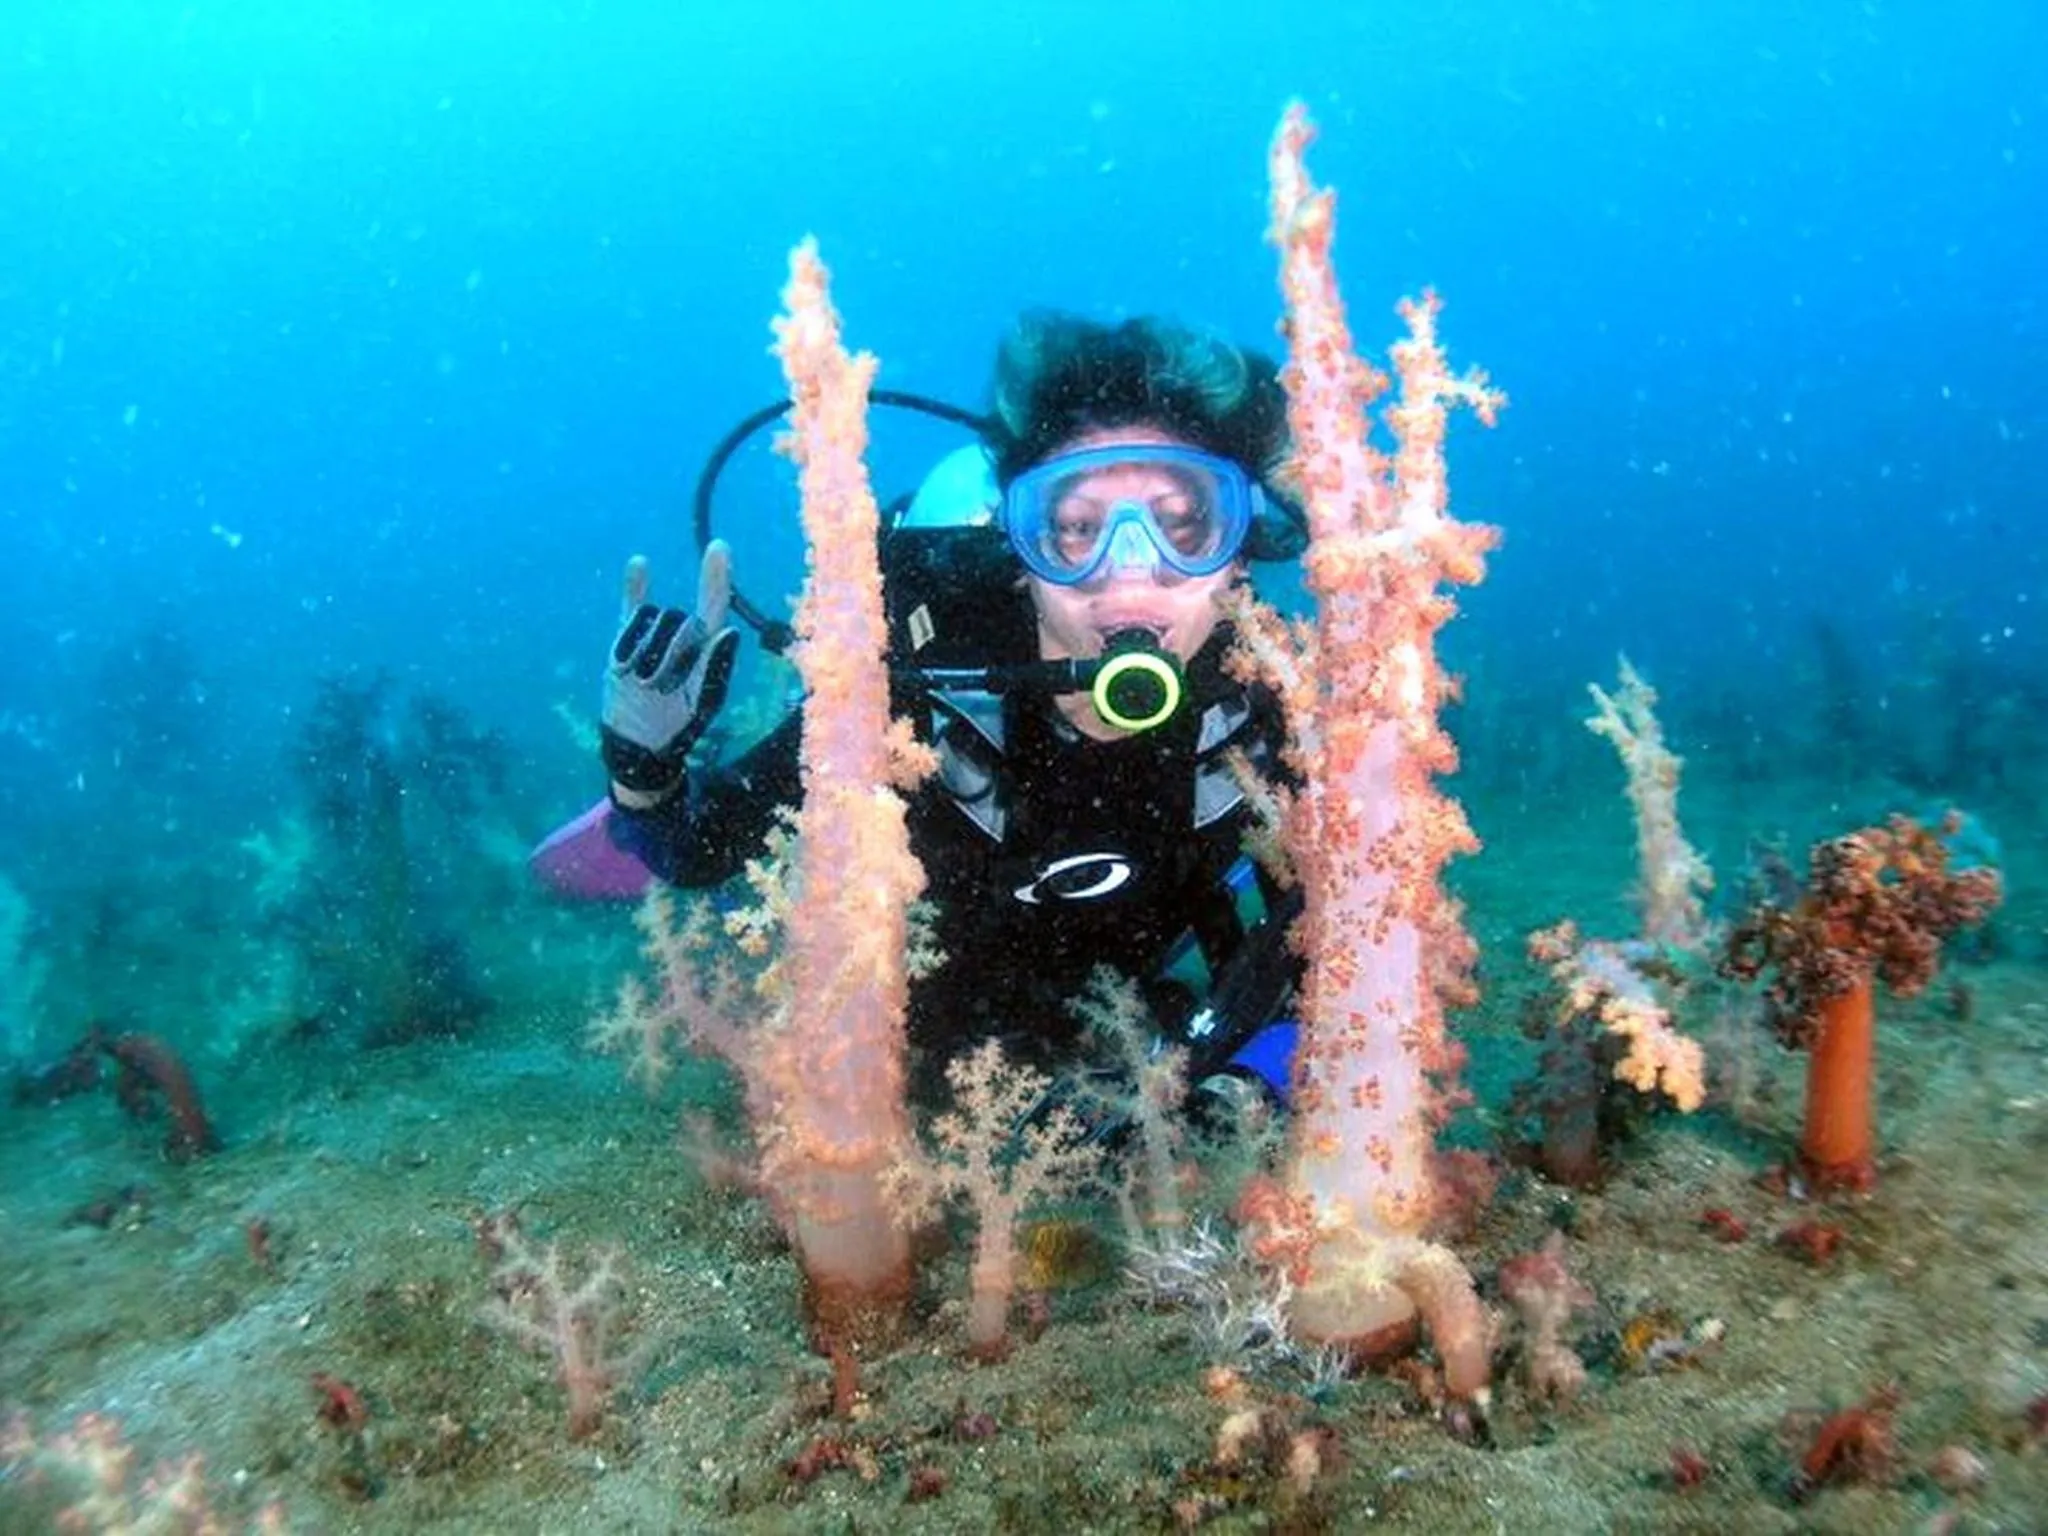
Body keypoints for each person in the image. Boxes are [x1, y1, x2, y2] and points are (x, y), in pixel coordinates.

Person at [596, 313, 1310, 1108]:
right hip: (948, 996)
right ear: (1020, 541)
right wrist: (644, 772)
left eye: (1185, 524)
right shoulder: (931, 666)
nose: (1131, 574)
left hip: (1141, 973)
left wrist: (1247, 1082)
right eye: (1075, 528)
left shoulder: (1268, 690)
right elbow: (700, 850)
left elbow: (1331, 949)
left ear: (1240, 550)